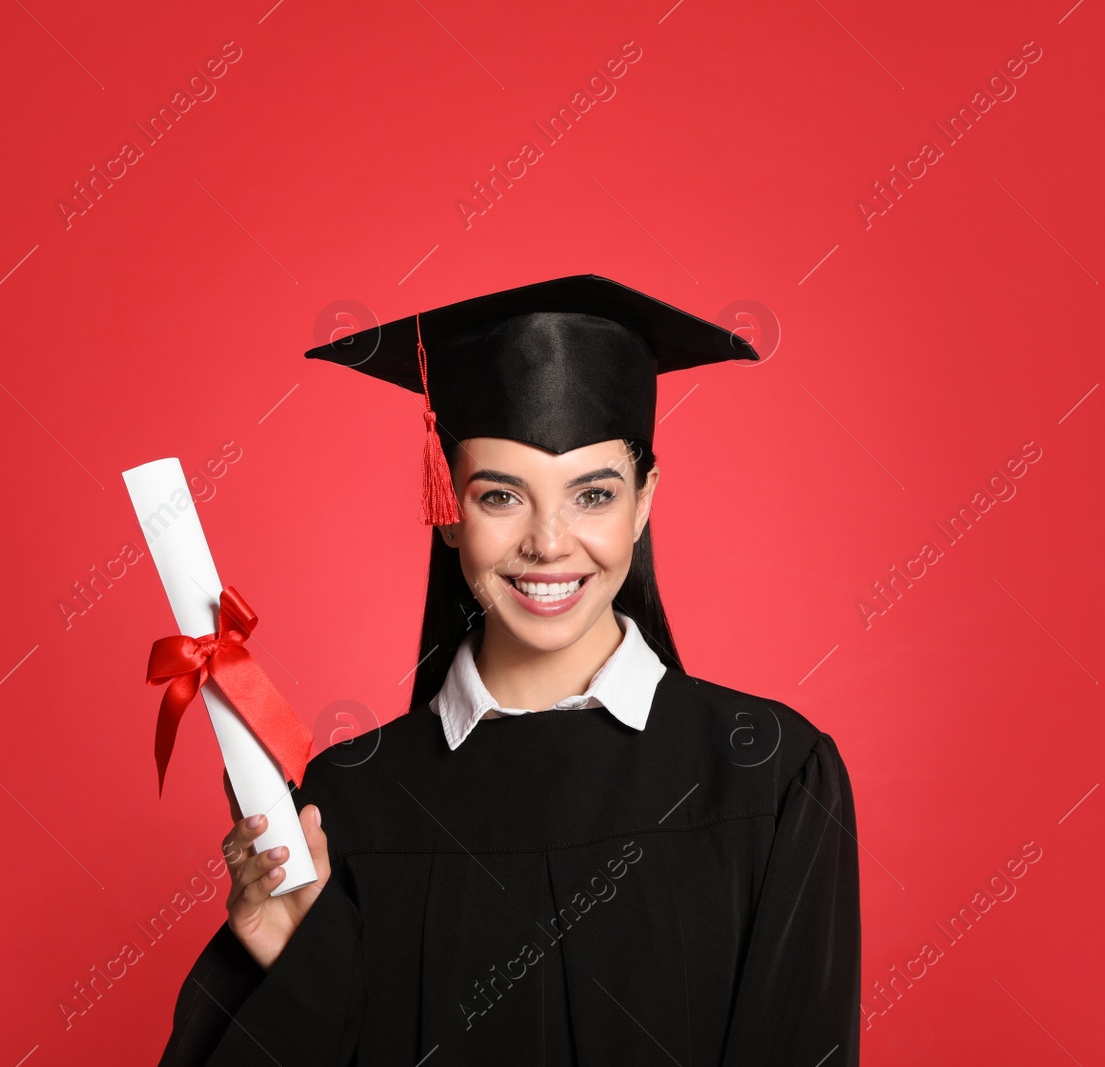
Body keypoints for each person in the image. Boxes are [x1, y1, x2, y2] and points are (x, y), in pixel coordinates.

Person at [157, 275, 861, 1065]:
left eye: (593, 494)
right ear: (448, 508)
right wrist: (297, 965)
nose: (550, 543)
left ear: (645, 501)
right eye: (501, 496)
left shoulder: (768, 778)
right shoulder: (346, 810)